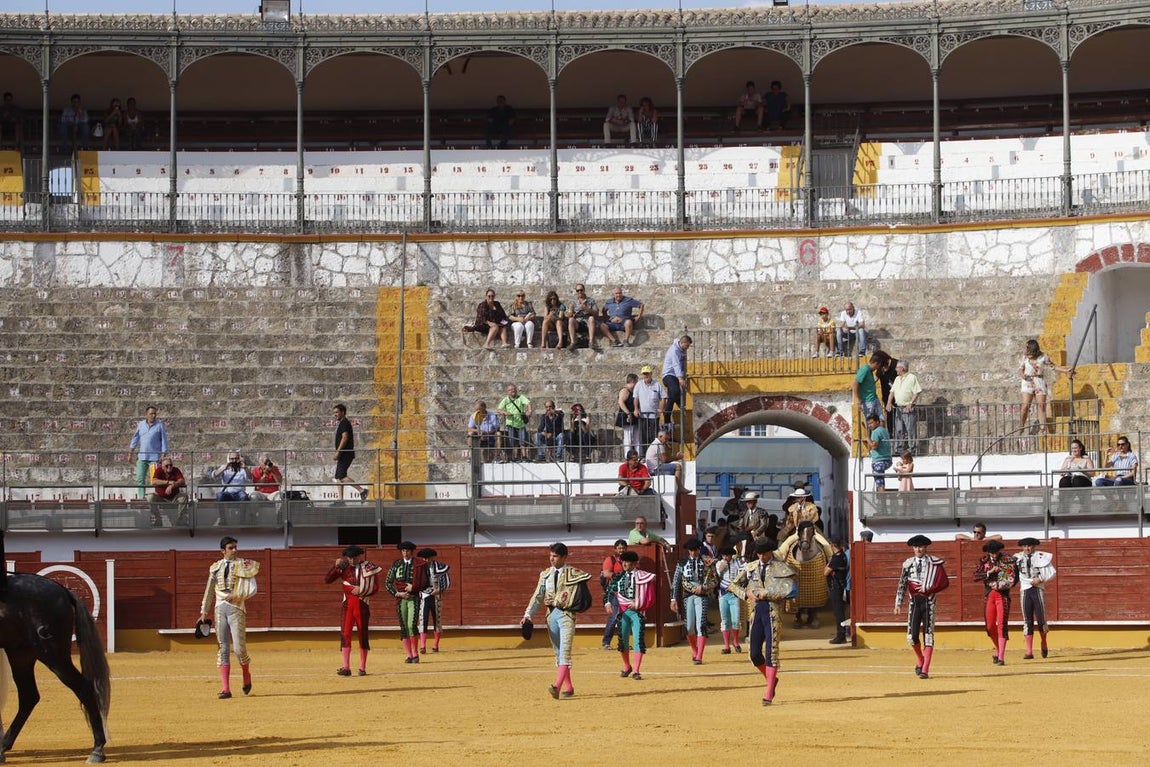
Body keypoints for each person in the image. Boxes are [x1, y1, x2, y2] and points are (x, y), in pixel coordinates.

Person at [520, 542, 594, 699]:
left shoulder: (574, 573)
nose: (551, 559)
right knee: (558, 652)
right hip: (551, 615)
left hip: (567, 615)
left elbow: (583, 597)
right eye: (550, 555)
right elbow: (537, 596)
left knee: (565, 651)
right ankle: (569, 687)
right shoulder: (545, 574)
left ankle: (557, 686)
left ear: (564, 557)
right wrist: (528, 614)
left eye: (555, 556)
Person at [728, 539, 797, 705]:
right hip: (757, 612)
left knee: (771, 652)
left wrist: (767, 593)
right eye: (759, 553)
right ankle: (772, 680)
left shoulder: (781, 567)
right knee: (754, 654)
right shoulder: (751, 567)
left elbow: (791, 590)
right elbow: (733, 585)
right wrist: (747, 594)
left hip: (773, 612)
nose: (762, 556)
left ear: (770, 552)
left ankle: (768, 693)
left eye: (764, 553)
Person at [199, 536, 259, 699]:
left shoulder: (244, 565)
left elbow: (253, 589)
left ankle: (246, 674)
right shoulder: (215, 567)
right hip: (220, 609)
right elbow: (210, 589)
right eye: (231, 548)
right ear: (223, 551)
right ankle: (226, 689)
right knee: (223, 648)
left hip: (236, 608)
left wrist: (236, 595)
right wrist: (204, 610)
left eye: (235, 547)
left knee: (239, 649)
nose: (234, 550)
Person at [894, 534, 949, 679]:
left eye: (921, 546)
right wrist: (898, 603)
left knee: (928, 636)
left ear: (925, 548)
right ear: (913, 548)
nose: (918, 549)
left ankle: (925, 669)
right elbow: (902, 584)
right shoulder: (908, 564)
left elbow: (943, 582)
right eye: (916, 546)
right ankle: (920, 659)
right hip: (914, 603)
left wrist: (928, 589)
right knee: (911, 637)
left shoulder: (934, 563)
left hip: (929, 602)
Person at [324, 545, 381, 676]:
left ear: (359, 556)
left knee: (363, 634)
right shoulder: (343, 568)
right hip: (347, 605)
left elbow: (375, 588)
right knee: (345, 634)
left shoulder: (368, 567)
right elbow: (327, 580)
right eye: (349, 558)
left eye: (354, 558)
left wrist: (361, 590)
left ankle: (362, 667)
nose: (352, 560)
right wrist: (335, 566)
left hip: (362, 604)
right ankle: (346, 667)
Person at [604, 550, 656, 680]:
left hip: (637, 612)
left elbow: (649, 594)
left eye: (628, 562)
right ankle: (627, 666)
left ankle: (637, 670)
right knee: (623, 640)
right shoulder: (618, 576)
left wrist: (638, 603)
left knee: (638, 639)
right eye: (624, 562)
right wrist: (607, 603)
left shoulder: (642, 575)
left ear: (634, 564)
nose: (625, 564)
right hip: (623, 612)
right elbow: (609, 591)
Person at [778, 521, 832, 629]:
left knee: (825, 544)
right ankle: (779, 557)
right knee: (785, 543)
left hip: (811, 528)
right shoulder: (792, 509)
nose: (799, 502)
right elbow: (789, 521)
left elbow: (814, 518)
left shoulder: (810, 508)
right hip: (797, 530)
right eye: (798, 501)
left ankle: (830, 558)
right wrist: (792, 525)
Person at [670, 538, 717, 665]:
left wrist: (704, 587)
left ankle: (699, 656)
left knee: (700, 625)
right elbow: (675, 582)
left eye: (695, 550)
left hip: (702, 595)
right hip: (688, 596)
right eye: (690, 550)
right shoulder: (682, 563)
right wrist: (673, 599)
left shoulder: (707, 562)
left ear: (699, 549)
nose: (693, 553)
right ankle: (694, 650)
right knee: (689, 627)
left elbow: (715, 581)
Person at [975, 539, 1018, 666]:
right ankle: (998, 649)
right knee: (989, 626)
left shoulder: (1008, 559)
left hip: (1002, 595)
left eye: (996, 552)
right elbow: (975, 576)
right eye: (991, 553)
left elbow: (1013, 579)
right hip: (989, 595)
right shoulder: (984, 561)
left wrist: (999, 584)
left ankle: (1001, 656)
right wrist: (989, 572)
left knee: (1002, 625)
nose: (994, 555)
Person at [386, 541, 429, 664]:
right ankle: (409, 655)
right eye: (403, 551)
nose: (405, 553)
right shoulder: (396, 564)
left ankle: (415, 654)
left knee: (411, 625)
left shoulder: (420, 564)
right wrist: (397, 593)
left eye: (407, 551)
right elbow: (388, 582)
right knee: (404, 627)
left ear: (412, 551)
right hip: (401, 599)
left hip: (413, 598)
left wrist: (414, 587)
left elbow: (426, 583)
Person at [1019, 339, 1074, 433]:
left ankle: (1043, 428)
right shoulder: (1025, 357)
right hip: (1028, 382)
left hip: (1039, 381)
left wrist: (1065, 370)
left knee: (1041, 406)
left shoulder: (1043, 357)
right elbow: (1021, 369)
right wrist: (1022, 375)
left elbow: (1053, 366)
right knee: (1025, 406)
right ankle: (1021, 426)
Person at [1014, 537, 1055, 659]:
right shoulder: (1016, 558)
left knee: (1041, 619)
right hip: (1025, 589)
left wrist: (1041, 579)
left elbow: (1052, 572)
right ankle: (1029, 651)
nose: (1027, 548)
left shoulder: (1041, 556)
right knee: (1027, 620)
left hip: (1038, 589)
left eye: (1029, 546)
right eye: (1025, 546)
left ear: (1034, 546)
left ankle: (1043, 642)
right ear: (1022, 547)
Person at [129, 405, 169, 499]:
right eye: (151, 414)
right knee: (140, 479)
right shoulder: (141, 424)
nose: (153, 415)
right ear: (147, 414)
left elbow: (164, 440)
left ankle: (156, 498)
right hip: (142, 458)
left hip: (154, 459)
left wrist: (163, 455)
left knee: (155, 480)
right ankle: (141, 498)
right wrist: (130, 453)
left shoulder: (160, 425)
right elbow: (135, 438)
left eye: (155, 413)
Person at [331, 403, 368, 501]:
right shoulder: (343, 423)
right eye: (334, 413)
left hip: (345, 454)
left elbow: (345, 437)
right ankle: (341, 499)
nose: (335, 414)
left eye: (337, 412)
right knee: (338, 477)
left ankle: (361, 490)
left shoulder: (344, 423)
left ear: (342, 412)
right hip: (344, 454)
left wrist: (338, 452)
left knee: (341, 476)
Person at [417, 548, 451, 654]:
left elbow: (447, 581)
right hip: (424, 595)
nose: (426, 560)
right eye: (424, 558)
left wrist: (439, 590)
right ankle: (422, 646)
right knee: (423, 620)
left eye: (427, 558)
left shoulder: (440, 567)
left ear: (432, 557)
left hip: (437, 596)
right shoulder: (420, 568)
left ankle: (435, 645)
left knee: (437, 620)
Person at [887, 359, 923, 454]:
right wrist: (889, 402)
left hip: (908, 408)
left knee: (910, 429)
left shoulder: (912, 377)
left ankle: (912, 449)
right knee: (898, 429)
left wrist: (911, 402)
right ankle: (898, 449)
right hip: (899, 408)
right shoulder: (897, 379)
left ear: (902, 368)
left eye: (897, 368)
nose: (895, 369)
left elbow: (917, 391)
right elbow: (892, 392)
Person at [714, 545, 745, 654]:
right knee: (725, 619)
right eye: (724, 555)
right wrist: (721, 568)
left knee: (735, 619)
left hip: (734, 594)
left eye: (727, 555)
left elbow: (745, 571)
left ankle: (735, 642)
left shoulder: (737, 563)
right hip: (723, 594)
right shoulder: (719, 563)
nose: (726, 557)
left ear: (731, 555)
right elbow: (716, 574)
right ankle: (727, 646)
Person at [600, 539, 628, 650]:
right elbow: (606, 573)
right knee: (614, 617)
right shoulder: (610, 559)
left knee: (625, 618)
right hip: (614, 592)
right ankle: (606, 642)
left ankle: (623, 642)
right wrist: (621, 576)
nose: (621, 550)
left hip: (626, 593)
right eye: (619, 548)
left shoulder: (627, 559)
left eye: (623, 548)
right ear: (615, 549)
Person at [148, 453, 188, 527]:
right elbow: (154, 481)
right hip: (161, 497)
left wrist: (172, 485)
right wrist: (168, 482)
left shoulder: (176, 470)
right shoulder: (159, 470)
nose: (169, 467)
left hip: (174, 497)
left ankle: (180, 520)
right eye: (167, 466)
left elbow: (182, 481)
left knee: (184, 497)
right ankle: (158, 519)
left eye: (171, 465)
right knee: (150, 497)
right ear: (163, 467)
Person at [633, 364, 666, 449]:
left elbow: (663, 397)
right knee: (643, 436)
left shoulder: (657, 384)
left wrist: (661, 409)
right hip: (643, 415)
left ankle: (654, 453)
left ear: (651, 373)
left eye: (647, 373)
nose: (646, 375)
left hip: (654, 415)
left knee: (654, 436)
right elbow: (636, 398)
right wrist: (636, 409)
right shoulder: (639, 385)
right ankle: (644, 455)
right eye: (644, 374)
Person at [661, 334, 692, 425]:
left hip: (674, 375)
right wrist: (680, 378)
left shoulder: (681, 350)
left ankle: (669, 418)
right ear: (683, 343)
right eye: (687, 346)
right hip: (669, 375)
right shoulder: (674, 350)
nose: (687, 348)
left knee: (673, 395)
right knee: (675, 391)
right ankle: (676, 408)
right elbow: (676, 365)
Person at [644, 425, 685, 492]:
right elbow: (665, 460)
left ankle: (678, 488)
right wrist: (677, 457)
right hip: (656, 470)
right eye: (665, 439)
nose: (666, 441)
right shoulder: (659, 445)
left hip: (654, 469)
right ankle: (680, 488)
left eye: (667, 439)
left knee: (674, 467)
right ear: (660, 437)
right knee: (678, 466)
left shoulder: (656, 443)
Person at [497, 384, 532, 462]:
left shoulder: (521, 397)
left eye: (514, 389)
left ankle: (524, 456)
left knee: (522, 440)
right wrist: (505, 412)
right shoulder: (506, 399)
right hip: (511, 423)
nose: (512, 391)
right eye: (510, 390)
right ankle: (515, 457)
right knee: (513, 441)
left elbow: (528, 403)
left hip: (520, 423)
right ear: (507, 392)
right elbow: (499, 409)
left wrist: (529, 411)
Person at [853, 350, 889, 424]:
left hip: (874, 398)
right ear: (876, 363)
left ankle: (881, 435)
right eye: (879, 365)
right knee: (871, 423)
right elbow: (855, 383)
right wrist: (858, 399)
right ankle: (871, 436)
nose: (878, 368)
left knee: (881, 419)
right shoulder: (865, 369)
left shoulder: (869, 371)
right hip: (867, 401)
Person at [825, 538, 850, 644]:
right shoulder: (842, 555)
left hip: (836, 587)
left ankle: (841, 635)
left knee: (838, 612)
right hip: (839, 586)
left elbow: (825, 572)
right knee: (839, 611)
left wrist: (827, 566)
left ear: (833, 545)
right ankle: (841, 634)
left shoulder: (837, 557)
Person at [565, 283, 600, 351]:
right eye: (577, 290)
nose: (579, 292)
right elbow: (568, 315)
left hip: (588, 322)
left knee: (591, 318)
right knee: (571, 320)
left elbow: (596, 313)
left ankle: (591, 342)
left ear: (584, 290)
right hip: (578, 322)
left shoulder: (591, 300)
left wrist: (587, 309)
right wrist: (571, 311)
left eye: (581, 290)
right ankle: (573, 342)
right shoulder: (573, 302)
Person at [615, 373, 640, 459]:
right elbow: (621, 402)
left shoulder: (633, 391)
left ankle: (638, 455)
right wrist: (628, 413)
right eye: (636, 381)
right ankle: (627, 456)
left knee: (637, 437)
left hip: (635, 416)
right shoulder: (625, 390)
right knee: (628, 437)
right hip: (627, 416)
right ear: (633, 381)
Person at [865, 413, 892, 491]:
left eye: (871, 423)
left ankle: (881, 498)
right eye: (869, 424)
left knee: (879, 483)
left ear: (877, 422)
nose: (870, 425)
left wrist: (868, 439)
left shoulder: (875, 432)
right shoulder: (884, 430)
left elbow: (874, 446)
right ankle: (881, 497)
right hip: (887, 459)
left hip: (879, 460)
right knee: (881, 481)